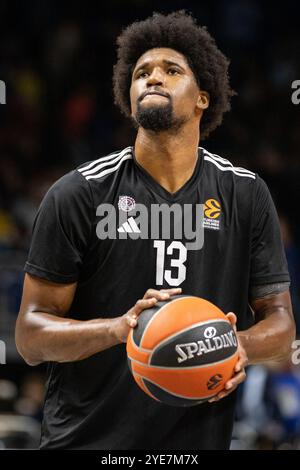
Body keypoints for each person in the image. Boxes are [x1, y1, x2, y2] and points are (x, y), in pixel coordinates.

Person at [15, 11, 295, 450]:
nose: (153, 78)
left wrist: (234, 347)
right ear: (128, 98)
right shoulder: (79, 194)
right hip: (85, 442)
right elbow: (30, 337)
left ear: (203, 97)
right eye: (142, 72)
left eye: (171, 70)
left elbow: (281, 325)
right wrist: (117, 329)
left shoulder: (245, 194)